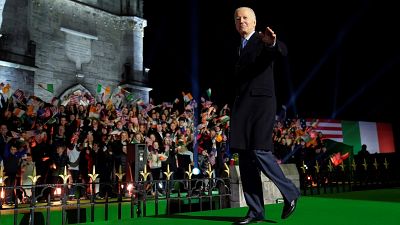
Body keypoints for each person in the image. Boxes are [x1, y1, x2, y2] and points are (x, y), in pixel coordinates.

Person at [229, 7, 300, 224]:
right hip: (242, 107)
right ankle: (255, 211)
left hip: (261, 105)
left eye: (245, 18)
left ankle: (290, 192)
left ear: (254, 21)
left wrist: (272, 43)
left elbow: (281, 50)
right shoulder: (238, 47)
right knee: (246, 158)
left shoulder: (262, 40)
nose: (242, 21)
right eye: (238, 19)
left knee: (260, 150)